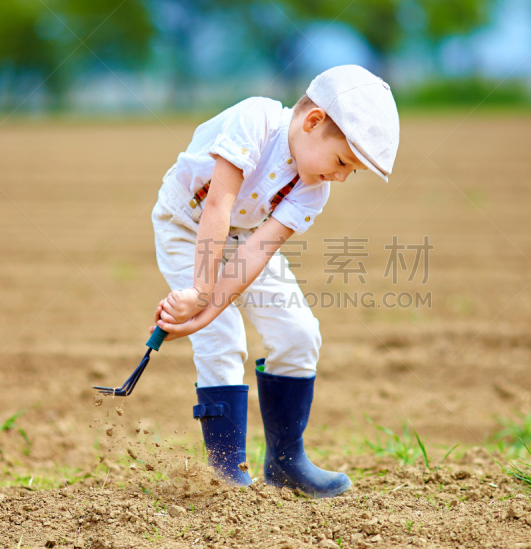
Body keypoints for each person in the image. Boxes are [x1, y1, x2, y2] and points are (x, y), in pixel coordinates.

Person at [149, 65, 399, 498]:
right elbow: (217, 206)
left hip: (243, 239)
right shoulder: (256, 120)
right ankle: (225, 472)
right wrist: (199, 297)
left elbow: (256, 250)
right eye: (341, 161)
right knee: (223, 339)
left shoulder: (312, 188)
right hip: (188, 225)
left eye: (351, 171)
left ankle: (287, 461)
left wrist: (202, 309)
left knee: (299, 333)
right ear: (313, 121)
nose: (341, 177)